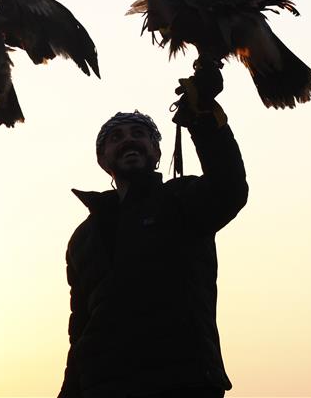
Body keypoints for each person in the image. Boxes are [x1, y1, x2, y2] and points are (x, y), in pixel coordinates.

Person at [59, 65, 248, 398]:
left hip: (183, 381)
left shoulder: (182, 199)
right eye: (115, 138)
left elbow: (229, 189)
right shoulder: (82, 238)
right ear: (104, 160)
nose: (128, 140)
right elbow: (81, 327)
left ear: (157, 152)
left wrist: (203, 117)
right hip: (103, 387)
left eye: (139, 134)